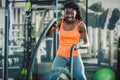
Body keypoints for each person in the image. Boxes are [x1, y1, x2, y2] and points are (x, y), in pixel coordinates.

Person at [46, 1, 89, 80]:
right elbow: (47, 34)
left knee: (81, 76)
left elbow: (87, 43)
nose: (69, 15)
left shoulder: (81, 25)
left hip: (75, 55)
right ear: (64, 13)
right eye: (67, 13)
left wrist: (79, 45)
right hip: (61, 55)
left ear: (76, 13)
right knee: (53, 77)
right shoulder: (60, 21)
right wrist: (52, 25)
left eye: (72, 13)